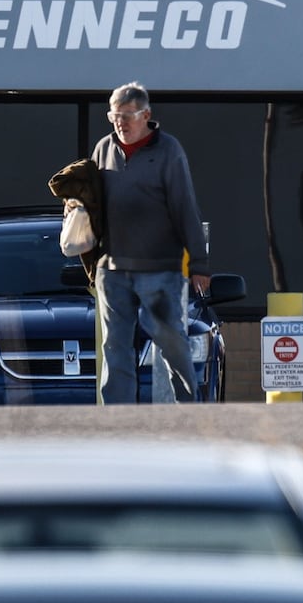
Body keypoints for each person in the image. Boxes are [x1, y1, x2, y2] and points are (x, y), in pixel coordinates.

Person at [91, 82, 211, 404]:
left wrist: (199, 263)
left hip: (160, 270)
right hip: (113, 270)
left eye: (128, 115)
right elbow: (93, 205)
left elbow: (186, 206)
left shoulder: (168, 150)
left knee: (171, 342)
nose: (121, 123)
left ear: (147, 115)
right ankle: (119, 422)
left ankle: (188, 409)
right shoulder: (103, 148)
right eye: (115, 116)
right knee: (115, 348)